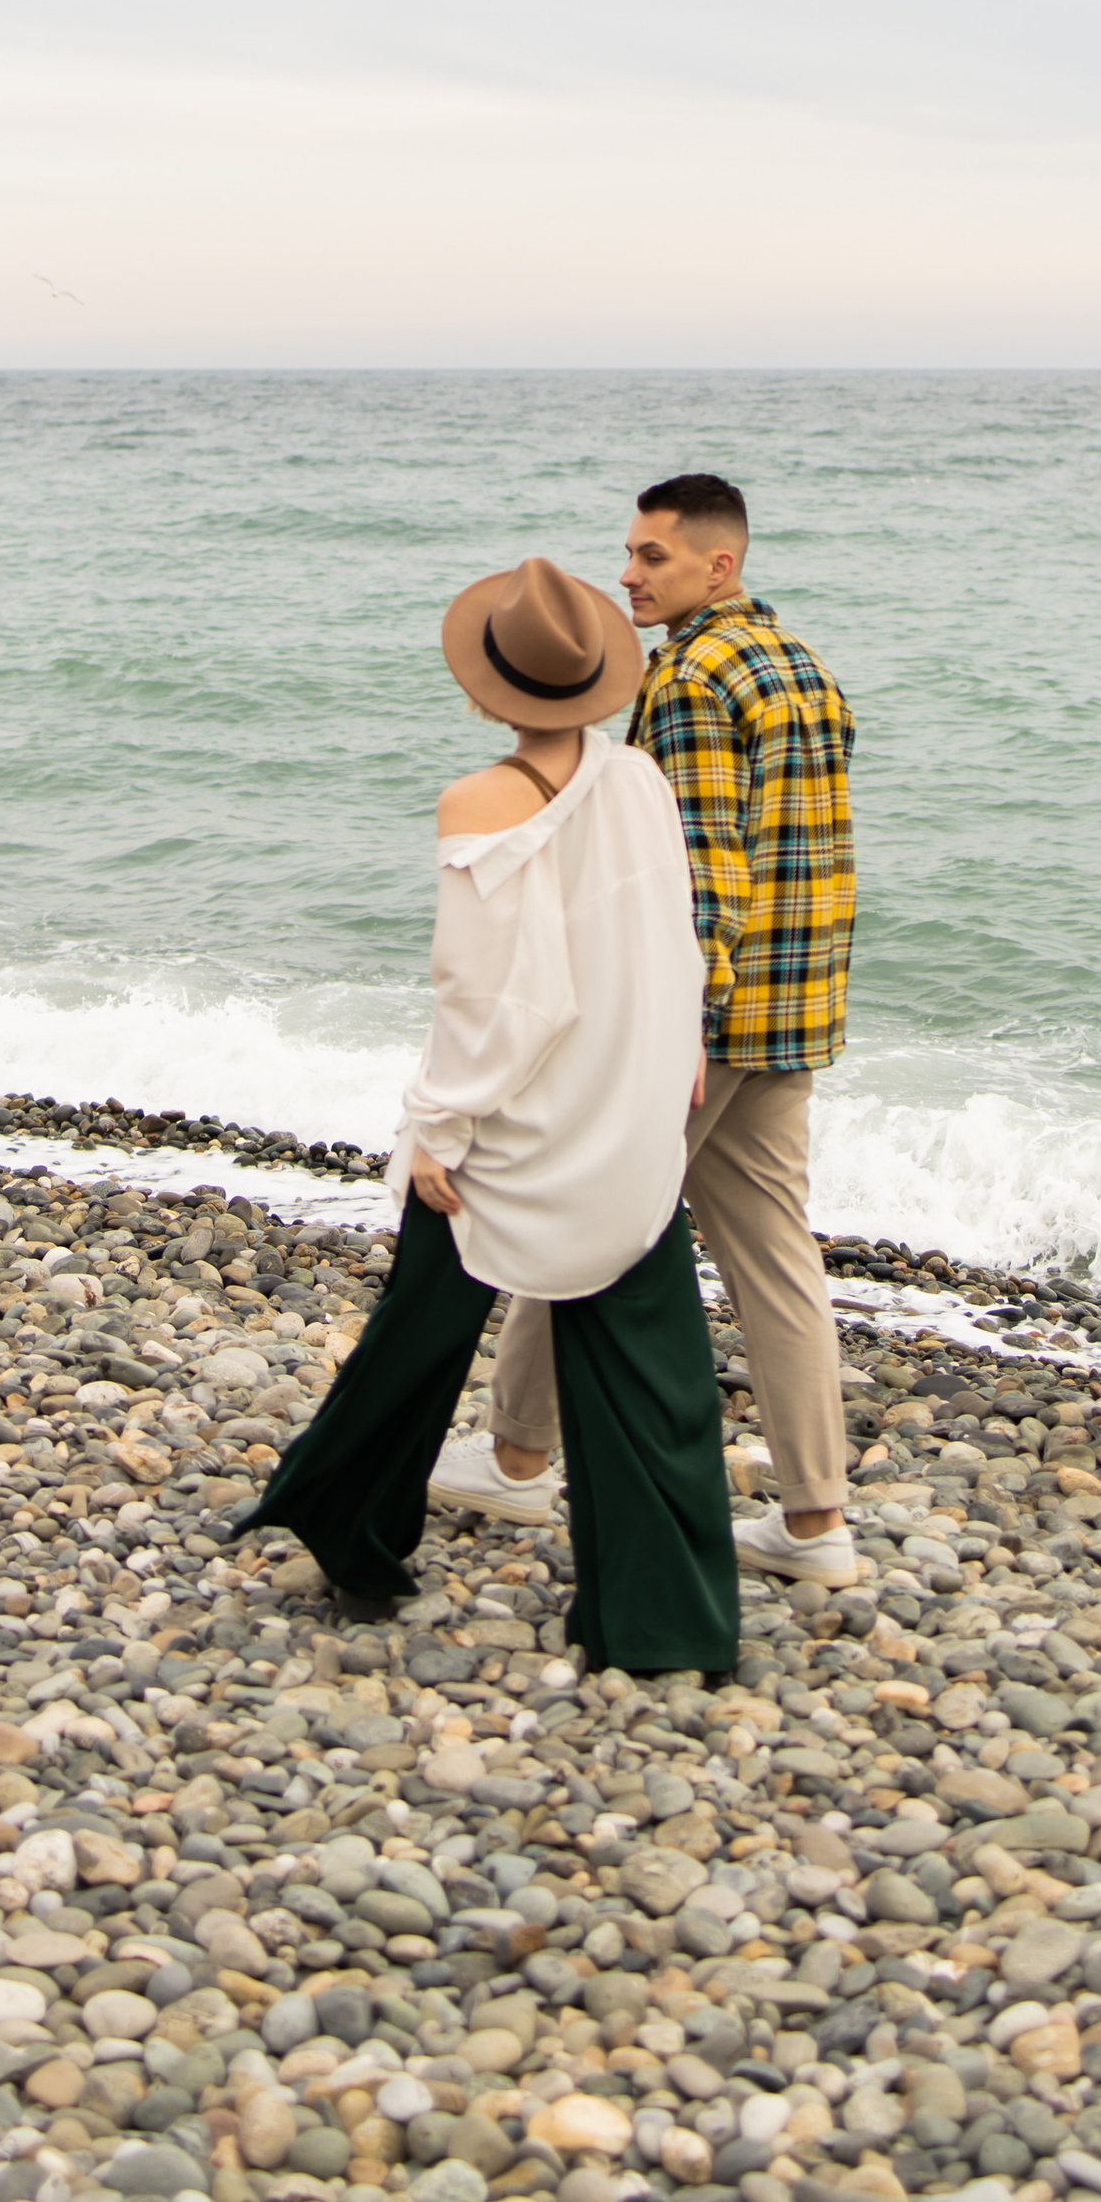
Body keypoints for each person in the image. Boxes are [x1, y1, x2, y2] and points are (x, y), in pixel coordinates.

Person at [235, 555, 740, 1677]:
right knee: (651, 1375)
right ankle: (668, 1626)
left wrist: (439, 1127)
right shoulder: (639, 782)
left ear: (484, 689)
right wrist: (681, 1056)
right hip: (621, 1108)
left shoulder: (477, 803)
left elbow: (496, 999)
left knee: (415, 1344)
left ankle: (356, 1541)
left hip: (509, 1124)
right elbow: (676, 942)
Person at [432, 472, 861, 1588]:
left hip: (713, 1027)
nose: (626, 573)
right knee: (775, 1259)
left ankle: (521, 1455)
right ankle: (817, 1521)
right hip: (798, 1010)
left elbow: (709, 870)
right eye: (626, 553)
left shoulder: (692, 679)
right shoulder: (799, 663)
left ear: (718, 565)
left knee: (581, 1202)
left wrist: (677, 1035)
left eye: (651, 557)